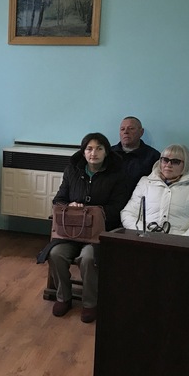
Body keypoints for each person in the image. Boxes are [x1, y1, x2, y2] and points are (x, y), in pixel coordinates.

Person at [39, 132, 130, 323]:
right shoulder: (72, 170)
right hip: (71, 231)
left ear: (106, 152)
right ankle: (63, 297)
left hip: (99, 232)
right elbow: (58, 200)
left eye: (99, 148)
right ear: (83, 152)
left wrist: (92, 212)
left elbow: (118, 207)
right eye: (89, 149)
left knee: (88, 258)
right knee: (55, 254)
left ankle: (90, 303)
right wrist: (70, 205)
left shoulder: (117, 174)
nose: (93, 153)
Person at [120, 143, 189, 237]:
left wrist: (183, 240)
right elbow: (128, 213)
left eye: (175, 161)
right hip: (145, 238)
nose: (168, 165)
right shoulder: (145, 183)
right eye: (165, 160)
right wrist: (143, 232)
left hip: (179, 241)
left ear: (185, 164)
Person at [111, 116, 161, 194]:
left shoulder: (153, 156)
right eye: (122, 129)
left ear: (141, 132)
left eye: (131, 128)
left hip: (140, 199)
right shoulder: (109, 153)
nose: (126, 132)